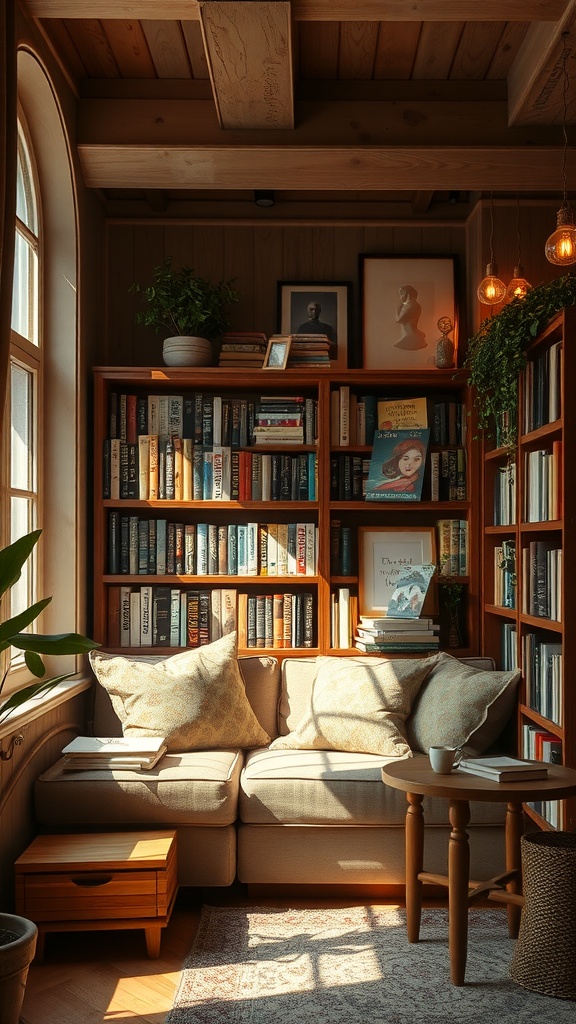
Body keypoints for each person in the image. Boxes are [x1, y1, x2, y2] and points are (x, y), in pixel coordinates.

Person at [394, 284, 426, 350]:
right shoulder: (407, 305)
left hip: (411, 335)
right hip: (408, 334)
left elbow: (399, 319)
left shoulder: (413, 305)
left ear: (407, 294)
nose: (400, 296)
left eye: (402, 293)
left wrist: (398, 306)